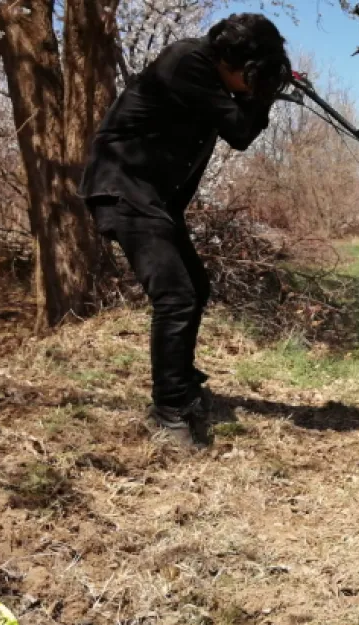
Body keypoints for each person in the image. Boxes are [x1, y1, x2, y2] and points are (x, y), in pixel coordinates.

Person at [79, 13, 292, 447]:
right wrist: (266, 95)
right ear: (233, 63)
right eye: (251, 78)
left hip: (151, 197)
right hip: (123, 187)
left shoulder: (213, 75)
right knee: (175, 295)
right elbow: (240, 130)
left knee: (195, 285)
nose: (250, 88)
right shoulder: (188, 63)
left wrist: (265, 88)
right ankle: (169, 410)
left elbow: (242, 126)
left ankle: (182, 382)